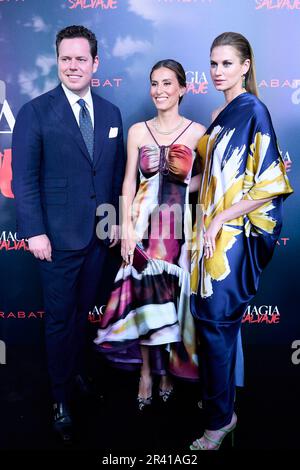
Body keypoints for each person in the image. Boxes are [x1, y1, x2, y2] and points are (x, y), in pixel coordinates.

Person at [12, 25, 125, 442]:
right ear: (57, 61)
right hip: (55, 241)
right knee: (59, 321)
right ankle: (59, 397)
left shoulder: (112, 114)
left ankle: (76, 374)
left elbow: (111, 176)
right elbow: (24, 180)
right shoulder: (35, 111)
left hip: (97, 238)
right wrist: (34, 233)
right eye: (66, 58)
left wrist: (112, 220)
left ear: (96, 63)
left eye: (81, 59)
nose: (72, 66)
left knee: (81, 316)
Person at [189, 32, 293, 450]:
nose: (218, 71)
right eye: (213, 63)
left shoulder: (254, 110)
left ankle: (220, 421)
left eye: (227, 63)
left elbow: (269, 184)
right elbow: (213, 180)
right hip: (207, 231)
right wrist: (174, 177)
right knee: (212, 326)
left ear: (246, 66)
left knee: (216, 324)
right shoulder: (222, 111)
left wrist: (219, 222)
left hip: (229, 238)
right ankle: (221, 402)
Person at [94, 59, 206, 410]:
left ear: (183, 89)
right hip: (143, 227)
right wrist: (126, 226)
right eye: (154, 83)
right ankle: (145, 372)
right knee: (145, 302)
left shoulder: (198, 133)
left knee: (171, 302)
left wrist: (184, 183)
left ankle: (168, 371)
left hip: (177, 231)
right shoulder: (138, 131)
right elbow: (129, 179)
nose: (159, 90)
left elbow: (206, 183)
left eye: (167, 84)